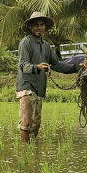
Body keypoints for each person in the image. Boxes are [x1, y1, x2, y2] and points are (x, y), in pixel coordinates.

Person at [17, 12, 81, 143]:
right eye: (36, 25)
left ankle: (32, 151)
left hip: (40, 88)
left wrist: (77, 67)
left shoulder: (46, 46)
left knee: (36, 123)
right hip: (27, 86)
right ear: (31, 27)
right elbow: (23, 65)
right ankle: (24, 150)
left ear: (45, 27)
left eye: (42, 25)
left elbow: (57, 65)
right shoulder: (26, 43)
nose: (39, 28)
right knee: (27, 121)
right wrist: (38, 67)